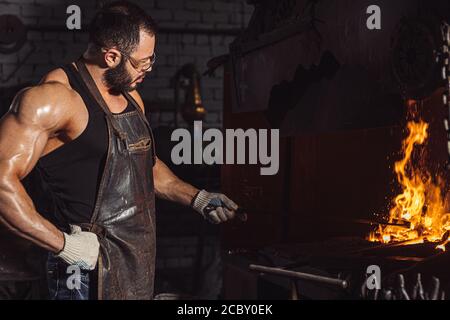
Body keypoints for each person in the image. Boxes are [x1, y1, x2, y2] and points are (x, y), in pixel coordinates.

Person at [0, 0, 239, 300]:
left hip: (133, 265)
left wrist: (197, 198)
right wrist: (64, 245)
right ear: (112, 56)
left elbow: (144, 168)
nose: (149, 69)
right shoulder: (55, 100)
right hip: (82, 273)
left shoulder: (132, 99)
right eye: (142, 62)